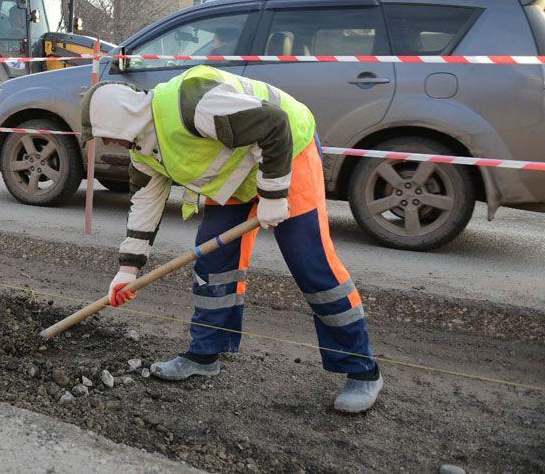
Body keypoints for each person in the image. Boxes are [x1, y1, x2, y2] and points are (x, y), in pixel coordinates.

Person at [81, 65, 383, 413]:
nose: (104, 143)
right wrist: (128, 269)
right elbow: (145, 204)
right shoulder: (142, 150)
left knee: (311, 265)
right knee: (213, 265)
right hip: (239, 176)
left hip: (287, 152)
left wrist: (272, 195)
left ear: (119, 119)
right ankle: (204, 354)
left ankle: (362, 370)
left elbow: (274, 125)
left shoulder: (190, 103)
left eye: (102, 133)